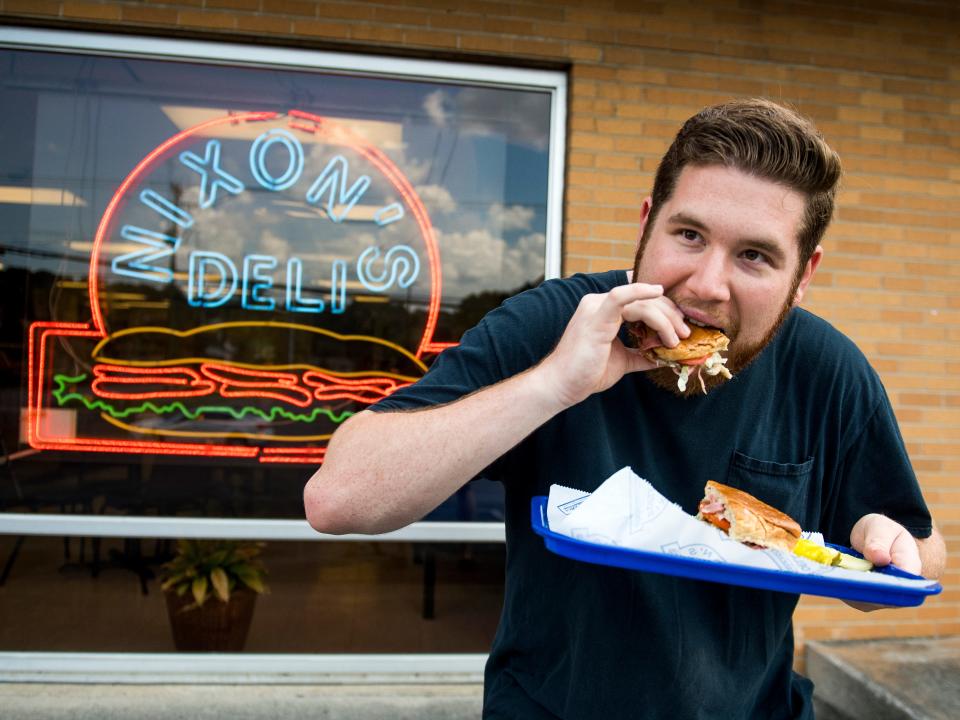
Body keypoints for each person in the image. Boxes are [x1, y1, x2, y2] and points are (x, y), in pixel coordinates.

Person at [304, 98, 946, 719]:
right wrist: (554, 383)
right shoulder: (553, 324)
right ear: (646, 223)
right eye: (689, 234)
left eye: (754, 255)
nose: (706, 284)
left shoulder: (827, 371)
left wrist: (885, 549)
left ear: (803, 275)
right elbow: (339, 499)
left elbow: (917, 549)